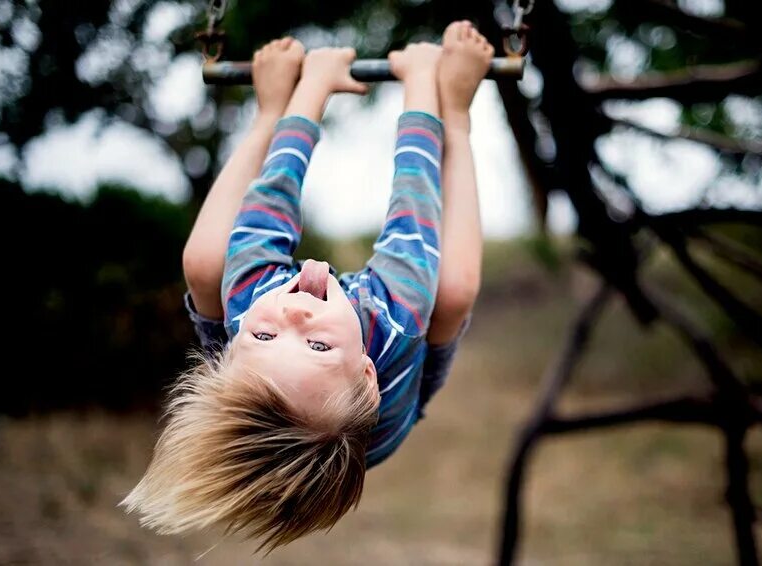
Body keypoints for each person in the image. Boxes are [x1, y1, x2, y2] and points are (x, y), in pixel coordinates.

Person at [122, 21, 493, 551]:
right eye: (316, 345)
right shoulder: (397, 319)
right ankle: (460, 117)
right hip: (391, 392)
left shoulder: (254, 306)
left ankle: (265, 115)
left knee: (205, 262)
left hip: (270, 376)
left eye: (267, 337)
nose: (292, 319)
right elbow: (414, 202)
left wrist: (306, 90)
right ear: (364, 373)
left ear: (231, 347)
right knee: (453, 288)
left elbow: (272, 195)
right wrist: (426, 83)